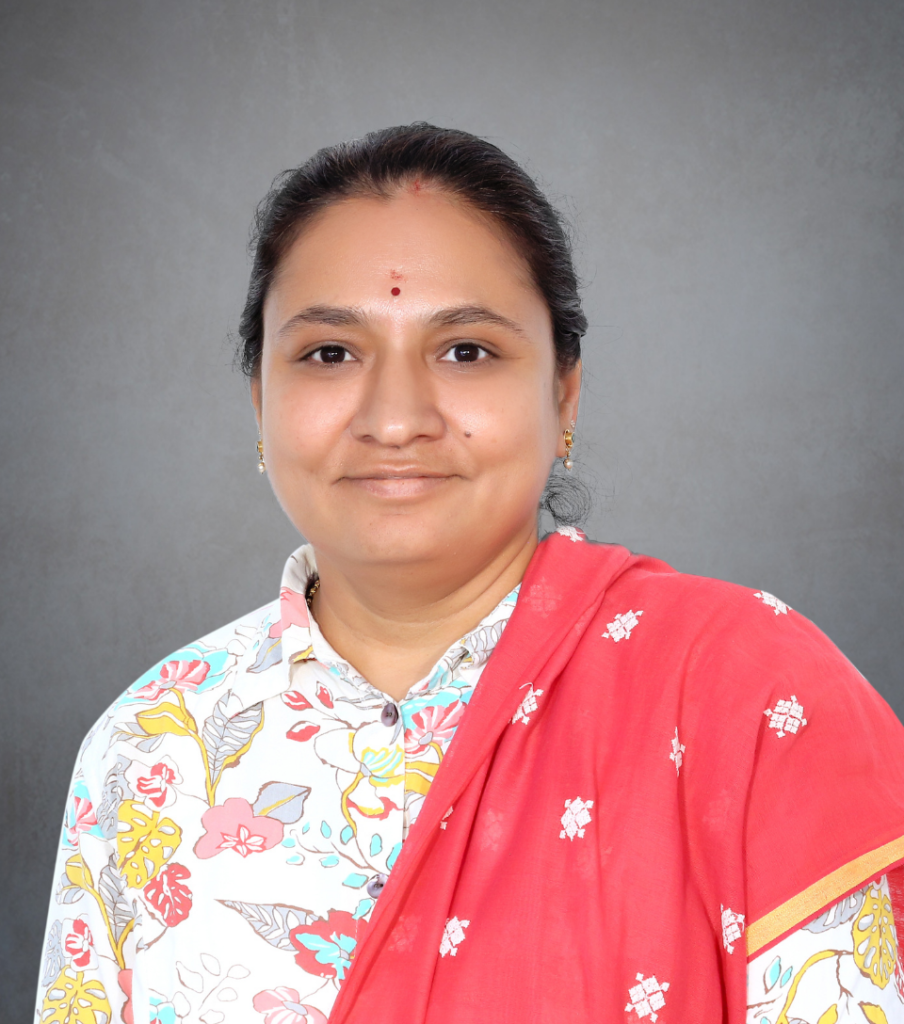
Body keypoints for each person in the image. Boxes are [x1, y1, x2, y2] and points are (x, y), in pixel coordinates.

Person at [35, 124, 904, 1024]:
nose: (395, 419)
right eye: (330, 353)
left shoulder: (751, 702)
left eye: (465, 351)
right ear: (261, 401)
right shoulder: (150, 752)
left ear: (563, 394)